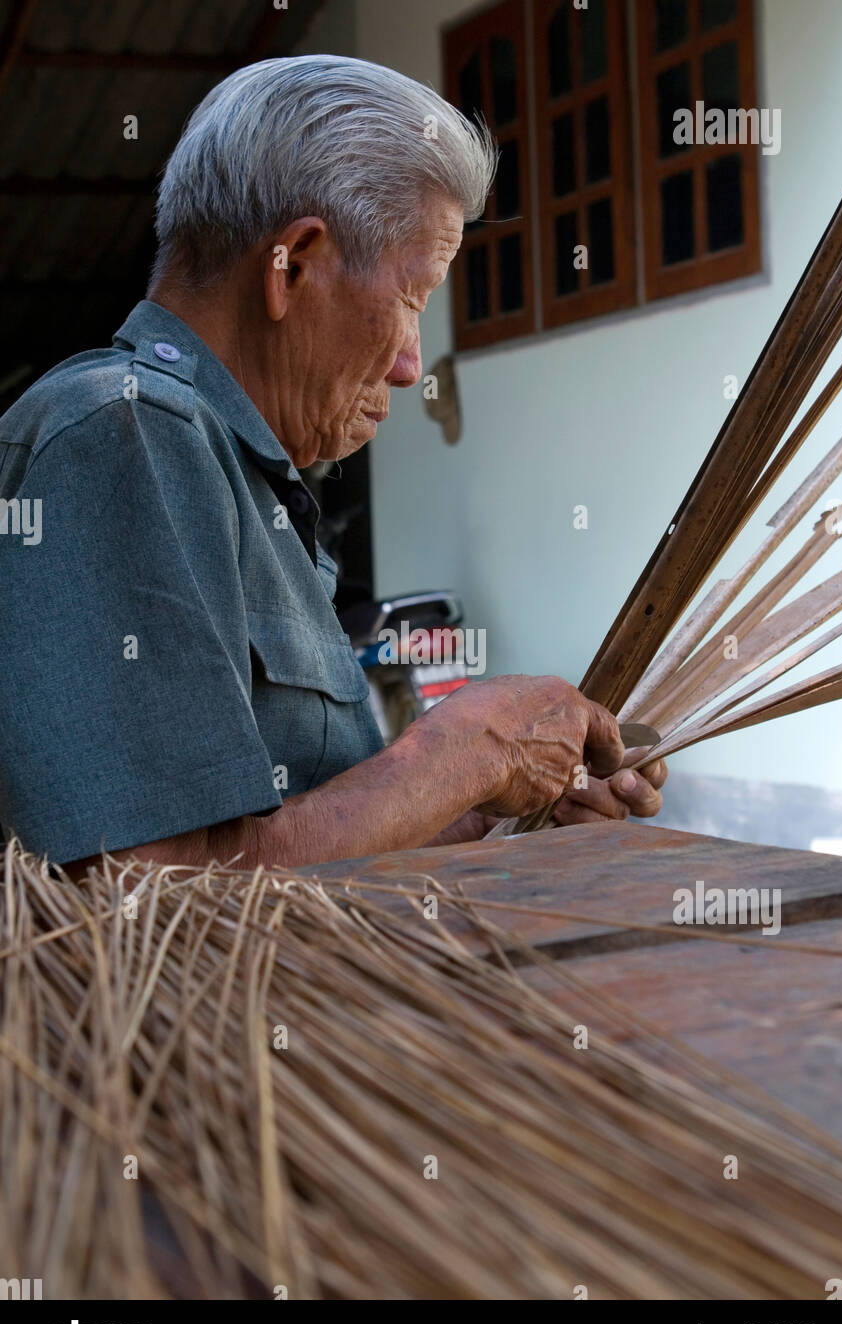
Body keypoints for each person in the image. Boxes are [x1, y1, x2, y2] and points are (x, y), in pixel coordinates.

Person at [0, 56, 665, 874]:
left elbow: (294, 842)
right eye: (414, 299)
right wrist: (464, 751)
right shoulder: (128, 430)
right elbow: (145, 895)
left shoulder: (242, 476)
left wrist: (484, 808)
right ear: (294, 265)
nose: (409, 365)